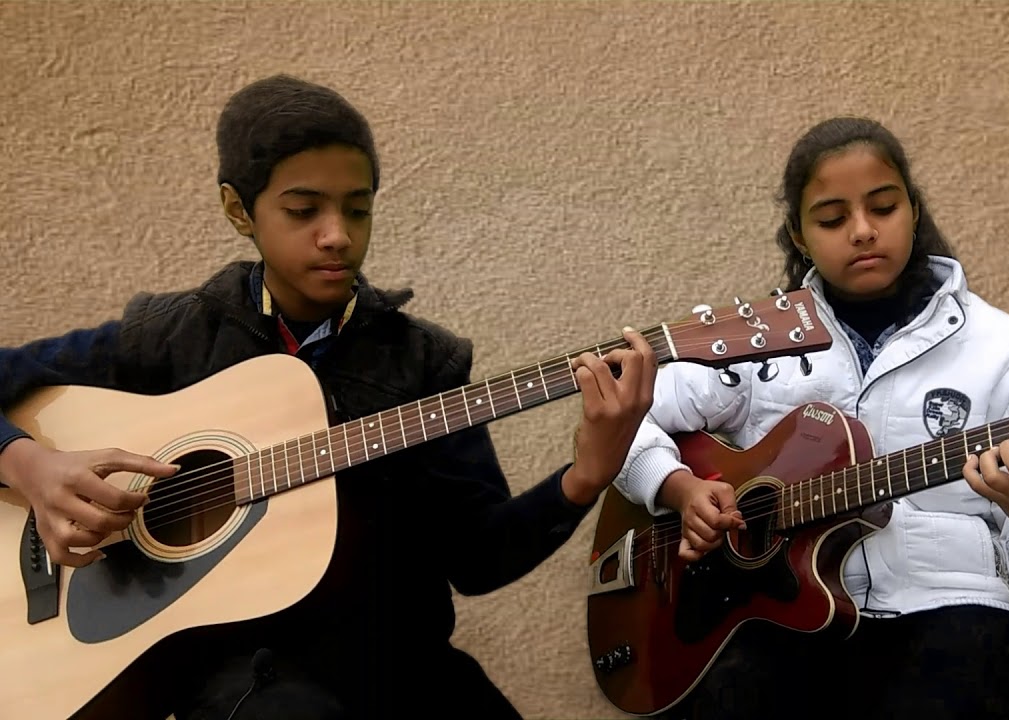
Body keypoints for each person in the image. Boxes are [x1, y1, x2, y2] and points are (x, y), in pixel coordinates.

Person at [0, 74, 658, 720]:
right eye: (303, 209)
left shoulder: (422, 362)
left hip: (398, 665)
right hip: (232, 678)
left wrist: (585, 477)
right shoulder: (171, 335)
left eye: (358, 207)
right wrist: (32, 465)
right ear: (239, 210)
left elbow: (477, 561)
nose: (337, 233)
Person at [611, 116, 1009, 719]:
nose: (861, 231)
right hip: (774, 622)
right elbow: (620, 421)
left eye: (884, 207)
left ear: (913, 209)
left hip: (963, 620)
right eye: (831, 218)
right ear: (799, 237)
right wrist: (676, 486)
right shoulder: (757, 341)